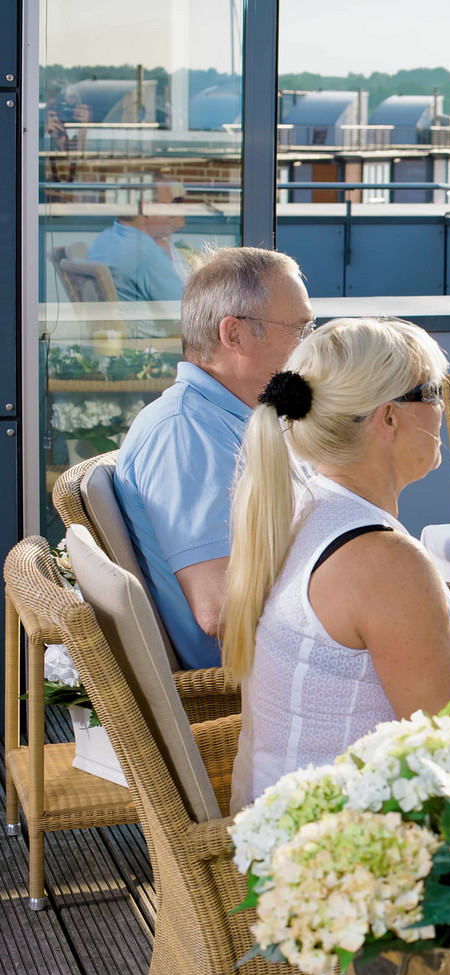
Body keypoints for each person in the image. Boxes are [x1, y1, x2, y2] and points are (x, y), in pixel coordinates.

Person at [221, 317, 450, 810]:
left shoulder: (308, 507)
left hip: (288, 819)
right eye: (429, 391)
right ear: (387, 418)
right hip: (342, 850)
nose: (442, 408)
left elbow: (363, 659)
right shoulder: (383, 559)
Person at [115, 246, 315, 668]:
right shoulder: (185, 433)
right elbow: (220, 608)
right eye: (299, 329)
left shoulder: (235, 418)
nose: (309, 345)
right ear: (234, 335)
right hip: (260, 680)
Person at [86, 177, 192, 312]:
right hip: (160, 333)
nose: (172, 214)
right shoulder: (147, 254)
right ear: (146, 207)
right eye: (168, 206)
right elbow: (185, 312)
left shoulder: (103, 240)